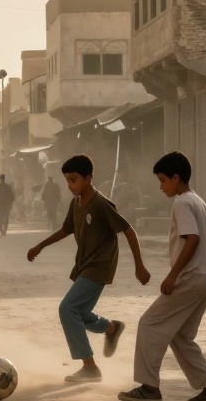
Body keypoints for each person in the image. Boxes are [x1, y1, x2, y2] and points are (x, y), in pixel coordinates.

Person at [119, 152, 206, 401]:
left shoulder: (182, 203)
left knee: (149, 323)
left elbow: (193, 239)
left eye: (162, 180)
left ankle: (149, 387)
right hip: (205, 277)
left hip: (190, 277)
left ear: (175, 177)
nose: (160, 186)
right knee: (181, 336)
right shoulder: (198, 201)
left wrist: (172, 275)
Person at [27, 155, 148, 384]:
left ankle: (89, 367)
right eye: (67, 181)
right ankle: (110, 328)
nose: (70, 185)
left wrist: (139, 266)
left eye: (73, 180)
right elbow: (65, 230)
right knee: (79, 313)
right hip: (84, 264)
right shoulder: (76, 203)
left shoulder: (101, 204)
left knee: (67, 309)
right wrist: (40, 246)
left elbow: (128, 231)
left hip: (99, 266)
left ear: (89, 178)